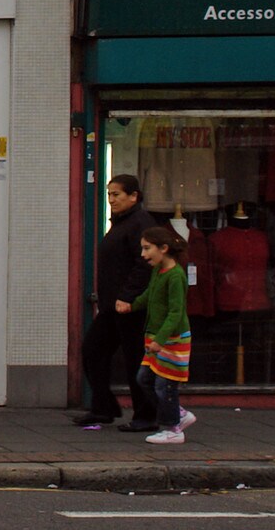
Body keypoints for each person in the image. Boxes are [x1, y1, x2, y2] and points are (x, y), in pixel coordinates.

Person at [74, 175, 155, 429]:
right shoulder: (122, 223)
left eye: (117, 195)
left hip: (130, 307)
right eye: (109, 195)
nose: (112, 200)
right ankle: (104, 407)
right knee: (93, 351)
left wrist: (128, 297)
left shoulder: (140, 223)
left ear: (134, 196)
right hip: (113, 306)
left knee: (135, 360)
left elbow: (144, 266)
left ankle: (146, 416)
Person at [136, 225, 197, 444]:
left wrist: (160, 341)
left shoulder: (175, 276)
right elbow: (150, 294)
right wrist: (131, 305)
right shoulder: (158, 271)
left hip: (172, 340)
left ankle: (173, 429)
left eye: (147, 248)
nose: (143, 254)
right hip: (157, 338)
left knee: (166, 384)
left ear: (163, 248)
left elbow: (175, 312)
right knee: (144, 379)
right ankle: (178, 414)